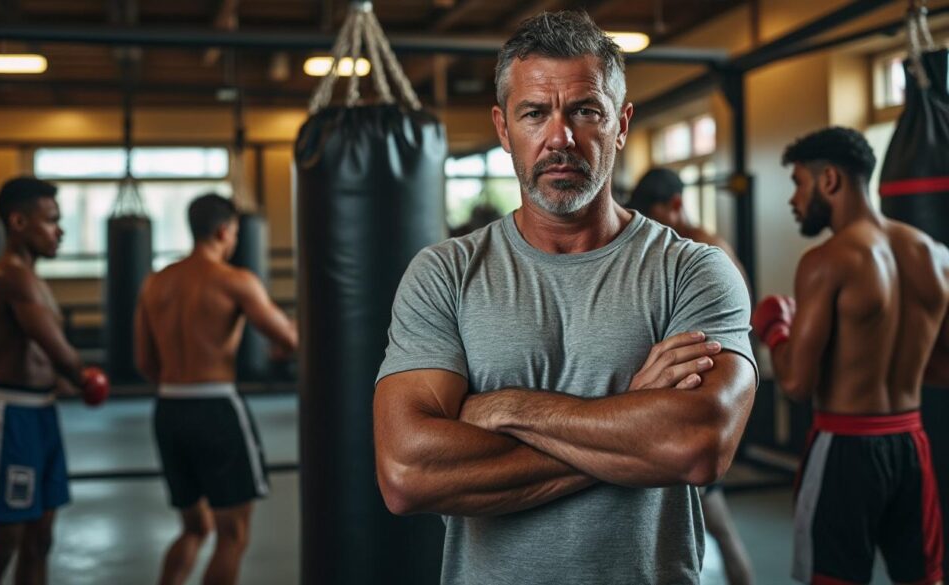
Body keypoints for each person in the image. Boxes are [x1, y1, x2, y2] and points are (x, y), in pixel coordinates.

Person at [373, 11, 757, 585]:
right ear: (504, 128)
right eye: (535, 113)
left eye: (585, 111)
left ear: (621, 123)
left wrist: (505, 408)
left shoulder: (692, 271)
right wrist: (633, 420)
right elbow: (407, 472)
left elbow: (696, 446)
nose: (560, 138)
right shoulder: (444, 274)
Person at [753, 126, 949, 585]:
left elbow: (796, 385)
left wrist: (775, 329)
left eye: (798, 183)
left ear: (830, 180)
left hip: (845, 448)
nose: (793, 199)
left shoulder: (827, 260)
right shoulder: (937, 256)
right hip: (911, 443)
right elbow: (943, 368)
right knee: (924, 578)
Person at [134, 193, 298, 585]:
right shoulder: (234, 281)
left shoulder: (155, 283)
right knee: (233, 535)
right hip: (216, 409)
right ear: (224, 231)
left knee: (194, 528)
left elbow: (144, 363)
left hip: (168, 409)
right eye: (235, 233)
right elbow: (289, 341)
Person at [630, 167, 754, 585]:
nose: (651, 226)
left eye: (657, 215)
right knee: (709, 524)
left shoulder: (707, 251)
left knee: (709, 526)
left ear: (677, 205)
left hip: (704, 403)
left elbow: (730, 334)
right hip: (676, 404)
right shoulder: (666, 252)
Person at [0, 176, 110, 585]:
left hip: (42, 412)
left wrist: (67, 378)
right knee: (3, 540)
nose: (60, 230)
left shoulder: (33, 279)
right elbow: (56, 350)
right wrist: (82, 374)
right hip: (11, 417)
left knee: (40, 538)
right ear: (18, 222)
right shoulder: (11, 277)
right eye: (51, 220)